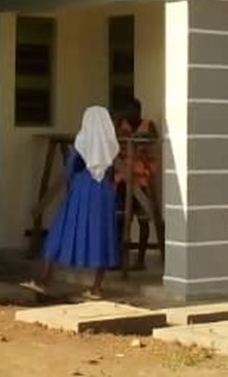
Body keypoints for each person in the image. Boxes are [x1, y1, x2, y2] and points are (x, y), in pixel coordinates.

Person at [25, 106, 120, 300]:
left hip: (81, 191)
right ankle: (96, 288)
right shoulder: (111, 145)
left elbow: (70, 168)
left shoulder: (82, 142)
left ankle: (45, 279)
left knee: (61, 231)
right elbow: (111, 171)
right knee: (100, 236)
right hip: (103, 194)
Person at [114, 96, 159, 270]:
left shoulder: (148, 124)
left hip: (142, 179)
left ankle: (140, 260)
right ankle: (120, 258)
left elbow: (153, 138)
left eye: (132, 110)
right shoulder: (120, 125)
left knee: (143, 220)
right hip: (123, 178)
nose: (129, 114)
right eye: (127, 111)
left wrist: (139, 136)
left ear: (138, 111)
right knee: (121, 219)